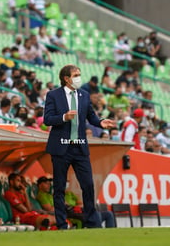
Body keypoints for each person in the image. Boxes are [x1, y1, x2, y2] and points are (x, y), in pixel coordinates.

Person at [43, 64, 115, 229]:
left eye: (79, 75)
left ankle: (91, 222)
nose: (79, 78)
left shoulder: (84, 95)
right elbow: (47, 119)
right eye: (76, 75)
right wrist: (64, 117)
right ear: (66, 79)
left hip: (80, 147)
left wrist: (101, 122)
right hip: (61, 148)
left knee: (88, 185)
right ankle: (62, 224)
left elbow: (91, 116)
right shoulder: (53, 95)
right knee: (59, 187)